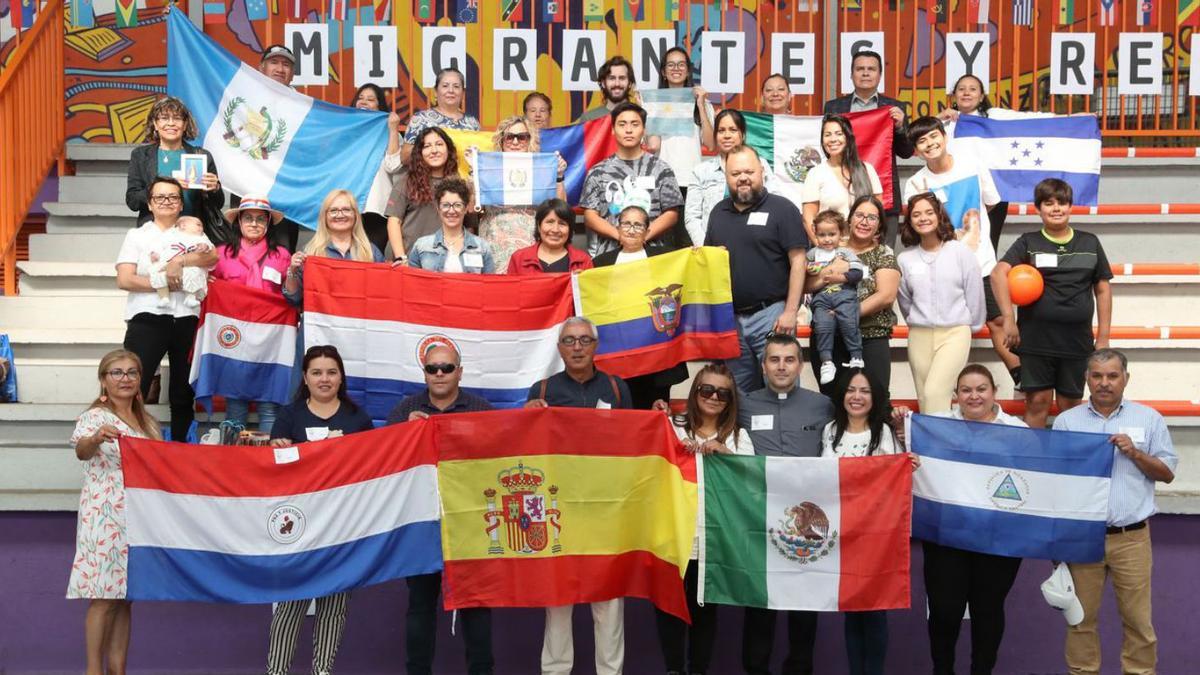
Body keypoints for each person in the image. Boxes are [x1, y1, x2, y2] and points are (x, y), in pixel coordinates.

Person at [893, 364, 1027, 675]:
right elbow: (910, 457)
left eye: (981, 389)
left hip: (998, 541)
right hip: (946, 537)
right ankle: (943, 671)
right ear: (956, 396)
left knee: (988, 610)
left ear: (994, 393)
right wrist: (902, 429)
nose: (974, 395)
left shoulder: (1017, 432)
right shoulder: (935, 426)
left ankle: (982, 671)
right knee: (943, 611)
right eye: (966, 390)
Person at [1052, 349, 1177, 675]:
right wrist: (1058, 543)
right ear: (1087, 379)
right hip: (1082, 538)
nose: (1104, 383)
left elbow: (1166, 473)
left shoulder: (1148, 419)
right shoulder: (1067, 422)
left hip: (1131, 538)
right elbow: (1057, 483)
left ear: (1125, 378)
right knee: (1080, 621)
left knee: (1138, 623)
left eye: (1112, 375)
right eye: (1097, 376)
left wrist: (1134, 453)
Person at [524, 317, 631, 675]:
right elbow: (524, 453)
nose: (577, 347)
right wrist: (525, 420)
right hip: (558, 510)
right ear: (559, 349)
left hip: (605, 510)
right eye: (569, 341)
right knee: (558, 600)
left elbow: (632, 445)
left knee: (608, 602)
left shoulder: (617, 389)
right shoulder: (540, 391)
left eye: (585, 340)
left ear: (595, 345)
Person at [385, 343, 494, 675]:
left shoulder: (481, 410)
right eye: (433, 369)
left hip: (470, 521)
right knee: (420, 606)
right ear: (424, 373)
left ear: (459, 371)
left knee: (477, 606)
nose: (440, 374)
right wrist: (405, 432)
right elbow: (386, 463)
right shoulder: (405, 410)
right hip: (422, 522)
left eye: (447, 367)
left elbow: (496, 461)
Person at [266, 344, 374, 675]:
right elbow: (271, 470)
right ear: (305, 377)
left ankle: (323, 671)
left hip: (342, 526)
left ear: (341, 377)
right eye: (317, 372)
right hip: (297, 525)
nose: (324, 379)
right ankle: (277, 671)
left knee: (334, 605)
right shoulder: (289, 416)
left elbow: (374, 470)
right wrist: (276, 448)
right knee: (288, 604)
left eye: (331, 372)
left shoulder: (358, 418)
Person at [738, 332, 834, 675]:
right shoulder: (744, 404)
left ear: (801, 365)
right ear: (763, 365)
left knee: (804, 610)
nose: (781, 366)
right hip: (758, 522)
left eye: (789, 359)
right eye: (774, 359)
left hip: (805, 529)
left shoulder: (821, 405)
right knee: (758, 608)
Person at [652, 363, 754, 675]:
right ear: (695, 391)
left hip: (712, 542)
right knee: (668, 612)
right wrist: (659, 422)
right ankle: (673, 670)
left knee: (704, 615)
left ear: (731, 400)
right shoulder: (671, 426)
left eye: (722, 393)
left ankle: (698, 670)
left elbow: (752, 483)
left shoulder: (739, 436)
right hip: (673, 538)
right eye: (706, 389)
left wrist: (725, 454)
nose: (713, 397)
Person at [902, 115, 1015, 387]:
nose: (930, 144)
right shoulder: (916, 184)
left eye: (933, 136)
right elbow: (918, 222)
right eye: (922, 141)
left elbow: (990, 204)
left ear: (944, 135)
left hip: (981, 262)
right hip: (942, 269)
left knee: (998, 321)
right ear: (916, 151)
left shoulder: (973, 166)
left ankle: (1020, 374)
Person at [991, 178, 1112, 429]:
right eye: (1048, 203)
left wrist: (1103, 337)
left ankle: (1070, 466)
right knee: (1037, 402)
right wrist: (1009, 319)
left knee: (1072, 408)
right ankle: (1032, 467)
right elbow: (997, 273)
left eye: (1062, 203)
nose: (1056, 208)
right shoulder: (1028, 242)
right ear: (1038, 209)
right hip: (1036, 339)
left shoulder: (1090, 243)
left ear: (1070, 207)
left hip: (1076, 340)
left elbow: (1102, 289)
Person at [69, 349, 161, 675]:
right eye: (117, 372)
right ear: (103, 380)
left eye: (132, 372)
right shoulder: (95, 416)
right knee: (103, 598)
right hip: (105, 517)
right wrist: (95, 438)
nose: (125, 378)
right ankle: (93, 671)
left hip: (138, 518)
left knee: (125, 597)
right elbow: (82, 450)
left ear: (140, 380)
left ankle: (117, 670)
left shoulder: (149, 422)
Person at [822, 366, 911, 675]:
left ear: (875, 398)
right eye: (851, 390)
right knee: (852, 611)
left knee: (874, 611)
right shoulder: (830, 431)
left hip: (877, 537)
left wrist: (907, 465)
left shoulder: (885, 433)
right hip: (843, 534)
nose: (856, 397)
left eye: (864, 391)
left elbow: (899, 477)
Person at [117, 177, 218, 441]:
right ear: (150, 203)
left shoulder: (191, 231)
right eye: (160, 197)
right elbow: (125, 279)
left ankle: (181, 449)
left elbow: (212, 256)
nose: (167, 202)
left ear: (180, 203)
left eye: (173, 197)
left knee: (183, 392)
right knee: (134, 385)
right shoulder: (137, 235)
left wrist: (178, 261)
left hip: (186, 318)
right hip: (147, 317)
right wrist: (164, 283)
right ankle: (129, 443)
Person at [703, 145, 808, 392]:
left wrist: (791, 311)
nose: (742, 178)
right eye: (735, 173)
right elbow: (709, 264)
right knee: (739, 394)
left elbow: (799, 261)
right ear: (726, 176)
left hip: (772, 316)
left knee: (782, 387)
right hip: (731, 320)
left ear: (761, 171)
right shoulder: (718, 213)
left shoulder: (783, 209)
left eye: (749, 171)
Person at [592, 203, 689, 408]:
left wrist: (705, 256)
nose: (631, 229)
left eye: (638, 225)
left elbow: (689, 268)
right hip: (618, 350)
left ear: (647, 231)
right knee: (621, 409)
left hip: (657, 352)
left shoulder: (667, 257)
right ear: (617, 228)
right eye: (626, 224)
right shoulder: (600, 263)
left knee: (654, 409)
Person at [896, 192, 984, 414]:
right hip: (919, 335)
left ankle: (941, 448)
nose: (923, 218)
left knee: (936, 392)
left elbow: (975, 294)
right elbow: (905, 301)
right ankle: (931, 448)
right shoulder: (905, 259)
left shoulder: (961, 252)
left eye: (929, 212)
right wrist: (919, 322)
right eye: (916, 214)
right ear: (910, 221)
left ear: (939, 215)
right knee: (925, 397)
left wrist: (969, 328)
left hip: (955, 333)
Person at [210, 196, 291, 431]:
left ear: (268, 223)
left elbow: (290, 295)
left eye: (260, 219)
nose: (254, 224)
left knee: (269, 406)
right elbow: (208, 290)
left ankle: (269, 464)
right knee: (235, 405)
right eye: (248, 218)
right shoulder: (221, 254)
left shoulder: (282, 256)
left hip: (270, 339)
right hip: (235, 339)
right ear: (239, 222)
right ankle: (232, 464)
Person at [806, 196, 899, 397]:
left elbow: (886, 296)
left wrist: (845, 314)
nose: (865, 222)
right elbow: (807, 285)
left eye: (872, 218)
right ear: (849, 220)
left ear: (880, 225)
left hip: (870, 337)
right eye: (859, 215)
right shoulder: (828, 248)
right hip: (829, 337)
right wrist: (830, 272)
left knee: (875, 398)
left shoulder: (884, 253)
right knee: (833, 401)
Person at [823, 50, 914, 248]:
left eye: (871, 69)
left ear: (879, 75)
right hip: (843, 189)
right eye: (860, 69)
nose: (865, 73)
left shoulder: (894, 107)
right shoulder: (834, 107)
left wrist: (900, 127)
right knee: (844, 250)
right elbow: (826, 147)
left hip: (884, 188)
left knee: (883, 252)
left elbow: (906, 152)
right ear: (851, 74)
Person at [581, 102, 683, 257]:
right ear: (613, 130)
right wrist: (620, 236)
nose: (628, 130)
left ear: (644, 130)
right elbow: (590, 216)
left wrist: (641, 237)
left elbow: (671, 213)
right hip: (610, 254)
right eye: (622, 124)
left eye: (635, 124)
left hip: (653, 253)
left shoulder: (662, 169)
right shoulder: (598, 171)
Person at [125, 97, 225, 241]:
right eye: (164, 118)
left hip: (192, 234)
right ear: (155, 124)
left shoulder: (202, 156)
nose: (171, 123)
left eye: (177, 118)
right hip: (153, 235)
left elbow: (218, 204)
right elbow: (132, 201)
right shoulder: (141, 156)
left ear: (185, 125)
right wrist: (164, 187)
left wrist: (214, 188)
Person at [475, 116, 568, 270]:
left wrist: (559, 176)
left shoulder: (541, 168)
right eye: (510, 137)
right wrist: (474, 175)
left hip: (530, 244)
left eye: (522, 137)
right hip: (494, 245)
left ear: (530, 140)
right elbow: (472, 207)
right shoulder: (488, 168)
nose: (516, 142)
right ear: (501, 141)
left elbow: (560, 207)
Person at [683, 109, 784, 246]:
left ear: (742, 135)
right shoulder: (701, 171)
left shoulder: (760, 164)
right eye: (721, 130)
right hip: (712, 246)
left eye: (733, 130)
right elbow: (692, 216)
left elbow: (774, 201)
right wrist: (706, 249)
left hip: (754, 242)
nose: (727, 135)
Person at [283, 189, 386, 306]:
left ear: (355, 215)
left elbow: (383, 295)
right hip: (320, 323)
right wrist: (292, 270)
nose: (340, 215)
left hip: (359, 322)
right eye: (333, 211)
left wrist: (396, 273)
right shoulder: (310, 252)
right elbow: (293, 299)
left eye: (346, 210)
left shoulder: (371, 252)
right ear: (325, 216)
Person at [643, 47, 716, 203]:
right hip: (661, 179)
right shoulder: (653, 104)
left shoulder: (703, 104)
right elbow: (653, 146)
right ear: (663, 72)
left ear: (688, 71)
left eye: (681, 64)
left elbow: (710, 144)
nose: (676, 69)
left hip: (692, 180)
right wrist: (647, 109)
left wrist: (701, 105)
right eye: (671, 65)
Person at [386, 127, 469, 259]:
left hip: (444, 262)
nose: (434, 150)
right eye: (427, 146)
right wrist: (400, 257)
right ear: (420, 152)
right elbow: (394, 221)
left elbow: (469, 226)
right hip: (407, 260)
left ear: (449, 149)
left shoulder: (459, 184)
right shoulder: (407, 181)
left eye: (439, 144)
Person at [806, 210, 866, 384]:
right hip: (821, 298)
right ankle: (826, 362)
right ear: (815, 234)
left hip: (844, 295)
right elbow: (802, 274)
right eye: (822, 235)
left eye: (832, 234)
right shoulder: (812, 254)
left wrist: (838, 278)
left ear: (841, 233)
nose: (827, 239)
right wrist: (807, 269)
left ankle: (856, 356)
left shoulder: (845, 253)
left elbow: (857, 273)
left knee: (848, 322)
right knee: (822, 326)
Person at [801, 114, 883, 240]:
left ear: (848, 137)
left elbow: (878, 210)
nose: (833, 139)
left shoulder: (867, 169)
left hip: (864, 245)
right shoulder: (816, 173)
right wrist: (821, 246)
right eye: (827, 135)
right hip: (831, 247)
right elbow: (808, 218)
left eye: (838, 133)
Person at [353, 82, 404, 254]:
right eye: (360, 98)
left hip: (376, 209)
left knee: (372, 258)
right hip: (348, 207)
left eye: (370, 99)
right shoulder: (347, 132)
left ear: (379, 105)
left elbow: (393, 165)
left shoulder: (392, 134)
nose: (364, 102)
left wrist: (392, 130)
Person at [408, 178, 495, 274]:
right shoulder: (421, 246)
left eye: (457, 205)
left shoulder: (482, 247)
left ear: (466, 208)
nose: (451, 210)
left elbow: (489, 285)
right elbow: (412, 284)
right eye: (445, 205)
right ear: (438, 208)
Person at [401, 67, 480, 163]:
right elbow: (404, 158)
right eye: (445, 86)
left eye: (456, 86)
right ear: (435, 91)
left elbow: (479, 156)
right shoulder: (421, 119)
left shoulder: (472, 122)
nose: (451, 90)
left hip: (464, 177)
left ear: (463, 93)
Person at [506, 198, 593, 274]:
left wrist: (581, 285)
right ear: (539, 226)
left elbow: (591, 292)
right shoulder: (519, 258)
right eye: (550, 222)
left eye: (562, 224)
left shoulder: (583, 260)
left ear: (570, 229)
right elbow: (511, 291)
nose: (555, 230)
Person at [146, 215, 211, 309]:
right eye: (198, 225)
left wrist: (205, 246)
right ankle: (164, 297)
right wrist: (154, 253)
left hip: (188, 266)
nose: (201, 228)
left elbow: (208, 248)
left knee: (194, 272)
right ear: (183, 225)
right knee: (156, 272)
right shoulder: (171, 235)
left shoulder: (200, 238)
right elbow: (159, 244)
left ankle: (190, 296)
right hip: (167, 264)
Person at [578, 56, 636, 122]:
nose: (617, 83)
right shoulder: (589, 118)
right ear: (603, 83)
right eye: (612, 78)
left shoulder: (640, 115)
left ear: (630, 84)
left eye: (622, 78)